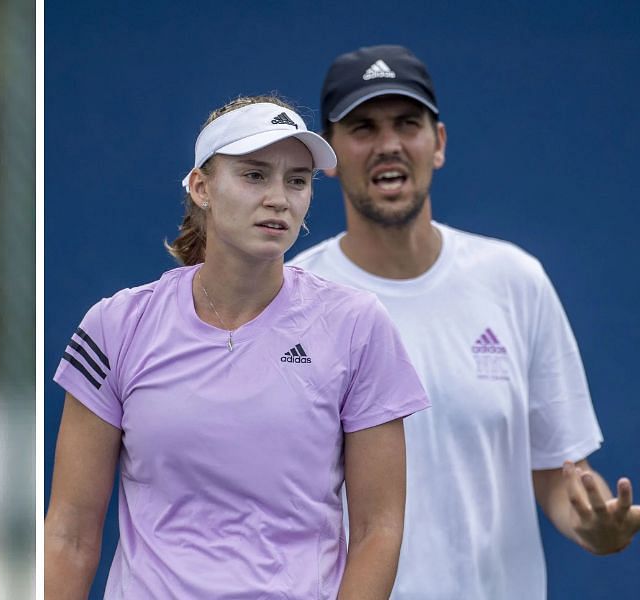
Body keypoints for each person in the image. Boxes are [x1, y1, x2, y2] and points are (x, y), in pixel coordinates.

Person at [288, 44, 640, 599]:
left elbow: (558, 469)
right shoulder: (291, 300)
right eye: (363, 127)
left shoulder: (515, 280)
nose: (388, 145)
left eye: (408, 123)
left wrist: (596, 526)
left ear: (439, 143)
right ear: (329, 155)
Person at [45, 96, 431, 599]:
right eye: (254, 175)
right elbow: (69, 534)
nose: (279, 198)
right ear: (202, 187)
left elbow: (377, 531)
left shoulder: (357, 325)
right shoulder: (116, 325)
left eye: (297, 180)